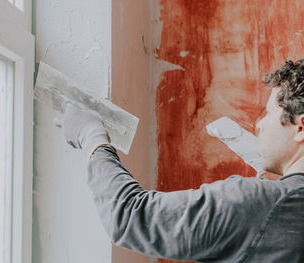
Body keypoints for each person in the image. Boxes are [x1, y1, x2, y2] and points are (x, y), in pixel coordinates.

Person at [56, 59, 304, 262]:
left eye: (269, 113)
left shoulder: (255, 204)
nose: (259, 124)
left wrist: (92, 137)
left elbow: (131, 216)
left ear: (300, 126)